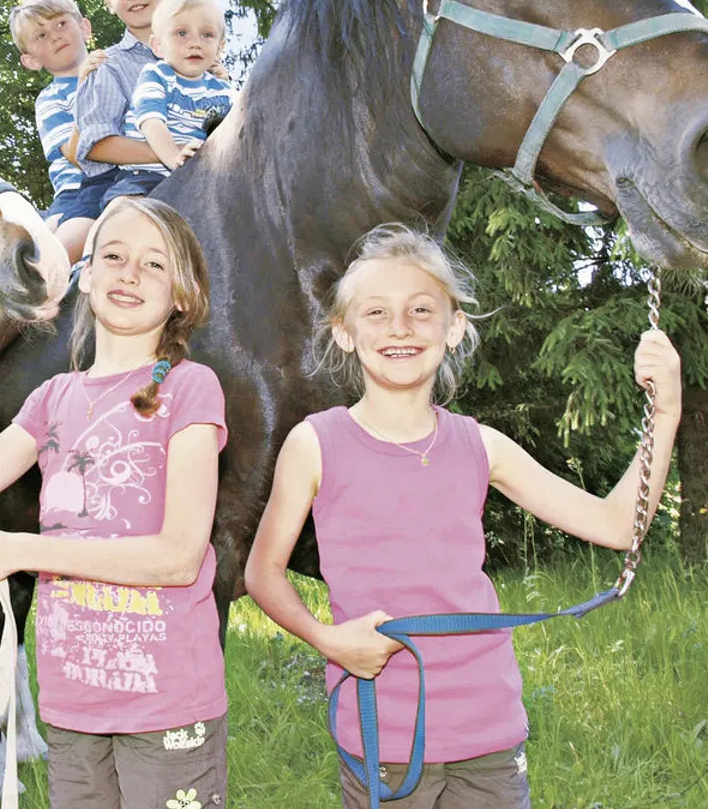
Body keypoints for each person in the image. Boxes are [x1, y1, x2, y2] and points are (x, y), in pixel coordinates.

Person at [243, 223, 682, 809]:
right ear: (344, 333)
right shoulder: (315, 443)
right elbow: (262, 572)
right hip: (381, 731)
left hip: (488, 729)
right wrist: (330, 641)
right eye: (377, 312)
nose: (400, 327)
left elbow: (614, 524)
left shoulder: (482, 446)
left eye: (421, 310)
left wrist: (668, 406)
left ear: (454, 328)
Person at [0, 198, 230, 809]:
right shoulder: (51, 399)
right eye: (114, 256)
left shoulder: (190, 389)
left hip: (167, 703)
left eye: (154, 264)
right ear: (84, 275)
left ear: (182, 295)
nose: (129, 274)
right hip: (72, 701)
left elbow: (178, 558)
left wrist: (18, 549)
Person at [71, 0, 181, 207]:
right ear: (108, 2)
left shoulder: (203, 56)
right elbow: (96, 145)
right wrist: (176, 154)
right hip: (135, 189)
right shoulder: (107, 65)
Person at [11, 0, 113, 263]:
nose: (55, 35)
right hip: (76, 189)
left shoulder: (121, 73)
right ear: (31, 60)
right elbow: (75, 154)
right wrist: (85, 91)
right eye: (41, 35)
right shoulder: (51, 98)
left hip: (127, 177)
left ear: (85, 28)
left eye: (61, 23)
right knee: (52, 254)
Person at [132, 0, 238, 172]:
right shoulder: (156, 75)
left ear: (220, 48)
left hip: (201, 176)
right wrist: (174, 157)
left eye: (207, 35)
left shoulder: (224, 91)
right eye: (182, 33)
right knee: (129, 200)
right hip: (147, 174)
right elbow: (151, 123)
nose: (195, 42)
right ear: (158, 46)